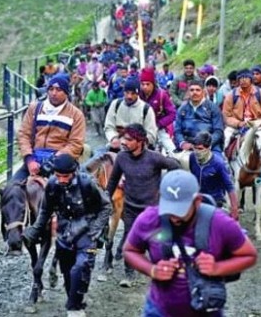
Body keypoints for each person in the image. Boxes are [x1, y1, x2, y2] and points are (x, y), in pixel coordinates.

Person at [123, 170, 258, 317]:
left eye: (180, 210)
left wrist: (217, 268)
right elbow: (130, 250)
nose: (174, 217)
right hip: (159, 310)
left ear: (197, 201)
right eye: (169, 208)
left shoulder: (220, 222)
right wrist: (152, 270)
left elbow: (249, 255)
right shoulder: (149, 219)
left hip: (207, 310)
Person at [23, 154, 111, 317]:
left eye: (66, 176)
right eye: (58, 176)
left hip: (88, 235)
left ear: (74, 173)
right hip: (65, 235)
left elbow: (106, 207)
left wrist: (95, 231)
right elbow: (45, 211)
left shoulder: (87, 183)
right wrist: (34, 230)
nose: (62, 180)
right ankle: (76, 299)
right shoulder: (52, 185)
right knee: (68, 272)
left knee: (82, 266)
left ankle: (74, 307)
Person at [106, 124, 181, 286]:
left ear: (140, 141)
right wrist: (105, 199)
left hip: (153, 210)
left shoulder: (154, 158)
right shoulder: (121, 158)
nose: (124, 142)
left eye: (129, 139)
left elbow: (175, 165)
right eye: (123, 138)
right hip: (131, 208)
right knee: (130, 241)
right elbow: (113, 180)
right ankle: (129, 274)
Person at [13, 75, 86, 182]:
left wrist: (53, 161)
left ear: (66, 93)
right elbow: (24, 134)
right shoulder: (34, 108)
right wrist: (29, 160)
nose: (54, 93)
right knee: (11, 189)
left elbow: (76, 144)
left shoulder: (76, 114)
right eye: (51, 89)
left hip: (60, 163)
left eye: (59, 90)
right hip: (34, 160)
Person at [188, 132, 239, 220]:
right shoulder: (192, 157)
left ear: (209, 147)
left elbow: (230, 187)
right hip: (198, 199)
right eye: (195, 148)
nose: (197, 152)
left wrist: (234, 209)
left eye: (200, 149)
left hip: (214, 201)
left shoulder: (219, 163)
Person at [221, 69, 261, 150]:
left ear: (251, 79)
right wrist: (238, 123)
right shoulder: (231, 95)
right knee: (226, 136)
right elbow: (226, 116)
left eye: (246, 77)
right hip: (237, 126)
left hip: (257, 124)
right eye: (241, 78)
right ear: (238, 80)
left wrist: (257, 123)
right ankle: (224, 159)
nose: (243, 80)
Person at [104, 78, 158, 149]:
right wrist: (113, 138)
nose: (129, 96)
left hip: (139, 148)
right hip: (118, 145)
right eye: (127, 93)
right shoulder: (115, 104)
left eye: (133, 93)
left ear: (138, 94)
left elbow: (151, 134)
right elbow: (108, 126)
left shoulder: (146, 109)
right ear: (124, 92)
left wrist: (136, 144)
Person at [174, 80, 225, 154]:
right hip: (188, 145)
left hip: (209, 146)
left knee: (219, 163)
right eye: (191, 90)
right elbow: (177, 131)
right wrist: (183, 143)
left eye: (198, 90)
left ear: (203, 92)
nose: (194, 92)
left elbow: (218, 131)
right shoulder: (182, 109)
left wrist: (206, 144)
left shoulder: (213, 108)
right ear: (188, 93)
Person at [140, 67, 177, 153]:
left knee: (172, 150)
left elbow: (172, 114)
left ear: (153, 83)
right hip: (140, 130)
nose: (145, 87)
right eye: (143, 84)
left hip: (159, 129)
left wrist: (159, 124)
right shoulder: (138, 95)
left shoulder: (162, 95)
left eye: (148, 84)